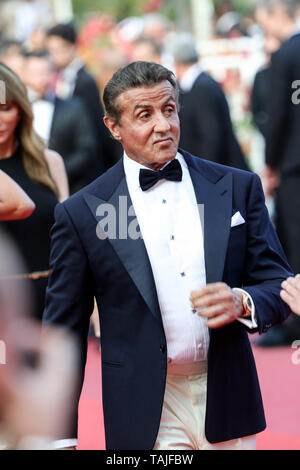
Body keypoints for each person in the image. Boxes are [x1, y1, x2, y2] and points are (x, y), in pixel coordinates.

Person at [43, 61, 292, 451]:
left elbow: (279, 286)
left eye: (169, 109)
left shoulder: (237, 186)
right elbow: (63, 332)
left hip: (228, 395)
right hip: (146, 407)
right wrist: (56, 438)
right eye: (145, 114)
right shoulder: (84, 213)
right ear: (113, 127)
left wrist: (242, 302)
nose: (163, 125)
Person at [0, 63, 69, 321]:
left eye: (6, 108)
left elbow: (68, 234)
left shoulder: (49, 161)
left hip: (55, 296)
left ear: (21, 110)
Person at [254, 0, 300, 346]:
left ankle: (295, 324)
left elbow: (279, 116)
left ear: (276, 14)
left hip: (293, 167)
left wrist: (270, 164)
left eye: (263, 22)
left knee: (294, 245)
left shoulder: (285, 55)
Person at [46, 22, 119, 174]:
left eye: (59, 50)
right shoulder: (59, 77)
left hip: (88, 168)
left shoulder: (84, 81)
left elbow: (94, 128)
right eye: (51, 50)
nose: (54, 56)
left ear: (72, 47)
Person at [171, 33, 249, 171]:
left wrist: (203, 173)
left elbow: (211, 137)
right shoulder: (198, 85)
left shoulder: (202, 88)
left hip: (219, 172)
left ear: (176, 61)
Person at [23, 50, 98, 194]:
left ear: (54, 75)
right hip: (25, 187)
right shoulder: (15, 110)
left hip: (69, 187)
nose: (40, 79)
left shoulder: (75, 107)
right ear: (23, 74)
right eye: (34, 73)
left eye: (45, 73)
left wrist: (56, 173)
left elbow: (87, 149)